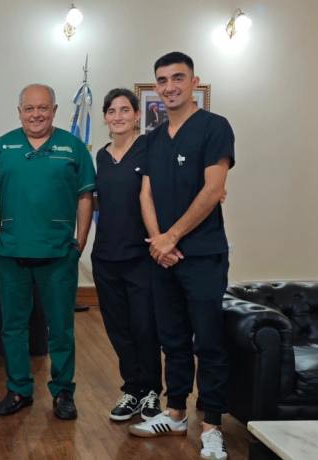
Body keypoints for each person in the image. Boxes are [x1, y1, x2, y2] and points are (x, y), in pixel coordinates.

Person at [128, 52, 234, 460]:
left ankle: (212, 425)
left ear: (194, 82)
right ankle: (174, 412)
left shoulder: (214, 127)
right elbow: (146, 194)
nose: (169, 86)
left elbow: (214, 189)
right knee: (171, 338)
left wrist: (170, 237)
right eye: (162, 80)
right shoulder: (152, 138)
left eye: (177, 78)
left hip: (203, 255)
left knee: (208, 340)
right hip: (163, 257)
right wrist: (158, 241)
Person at [0, 84, 95, 420]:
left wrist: (79, 242)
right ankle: (19, 389)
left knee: (61, 328)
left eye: (43, 108)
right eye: (29, 108)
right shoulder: (3, 146)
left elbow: (85, 196)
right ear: (19, 112)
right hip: (11, 253)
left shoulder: (72, 147)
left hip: (58, 254)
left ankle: (63, 392)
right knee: (13, 326)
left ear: (54, 110)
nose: (36, 114)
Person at [91, 88, 162, 422]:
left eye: (124, 110)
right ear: (105, 117)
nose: (117, 116)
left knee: (144, 326)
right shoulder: (101, 156)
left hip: (140, 256)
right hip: (106, 255)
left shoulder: (149, 148)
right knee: (118, 328)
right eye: (111, 111)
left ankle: (152, 391)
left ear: (137, 115)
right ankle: (133, 388)